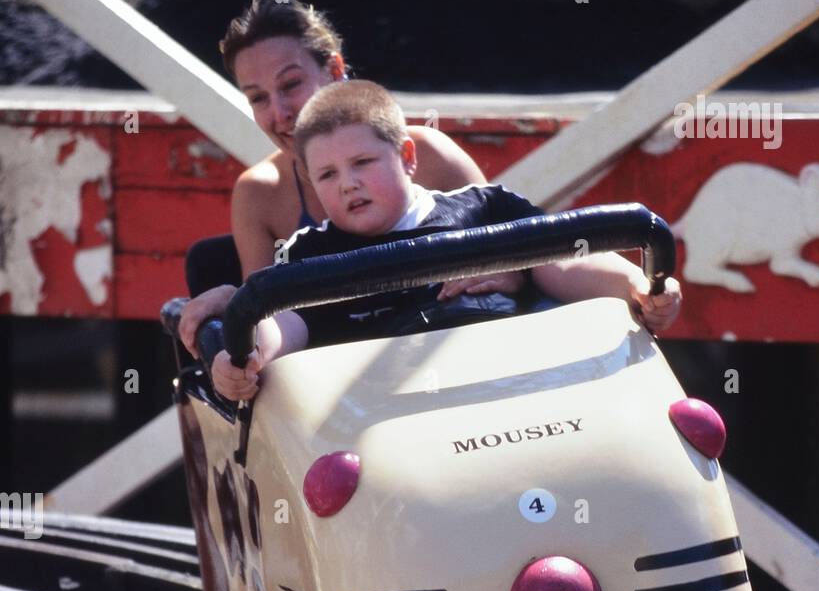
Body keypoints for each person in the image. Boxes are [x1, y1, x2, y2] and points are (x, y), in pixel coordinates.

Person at [212, 79, 682, 400]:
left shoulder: (484, 209)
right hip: (390, 418)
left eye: (363, 163)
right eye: (328, 175)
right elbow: (284, 321)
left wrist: (636, 286)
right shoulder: (309, 254)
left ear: (408, 157)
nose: (347, 184)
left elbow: (565, 263)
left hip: (519, 387)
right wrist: (246, 355)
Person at [179, 0, 505, 356]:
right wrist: (234, 299)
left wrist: (511, 274)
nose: (280, 112)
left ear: (335, 70)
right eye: (258, 98)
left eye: (290, 85)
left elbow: (506, 253)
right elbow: (266, 323)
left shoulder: (430, 152)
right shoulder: (260, 193)